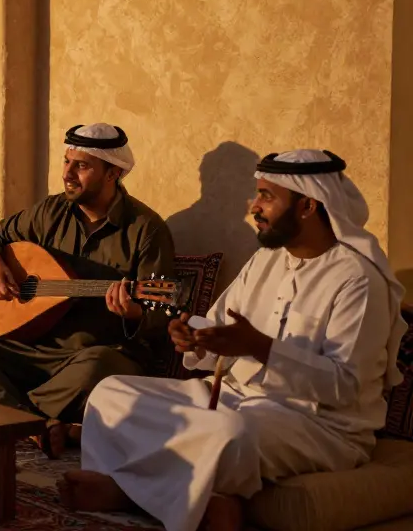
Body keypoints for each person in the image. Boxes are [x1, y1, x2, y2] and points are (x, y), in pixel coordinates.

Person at [62, 149, 407, 531]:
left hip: (319, 424)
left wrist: (259, 347)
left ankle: (125, 492)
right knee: (111, 394)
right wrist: (195, 337)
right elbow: (221, 329)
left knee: (228, 434)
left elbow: (346, 387)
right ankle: (190, 496)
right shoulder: (265, 261)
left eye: (267, 197)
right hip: (235, 396)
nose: (254, 207)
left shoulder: (358, 280)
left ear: (308, 206)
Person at [0, 123, 175, 457]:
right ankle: (39, 421)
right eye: (66, 162)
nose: (68, 174)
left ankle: (13, 414)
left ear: (113, 173)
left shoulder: (146, 230)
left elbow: (161, 315)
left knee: (101, 366)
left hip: (89, 357)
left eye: (82, 166)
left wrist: (134, 313)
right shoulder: (51, 211)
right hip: (31, 348)